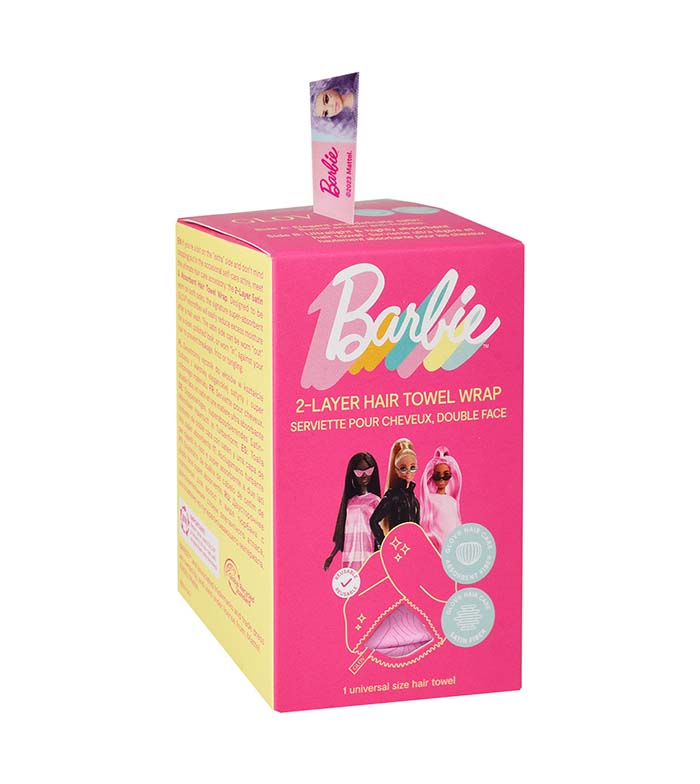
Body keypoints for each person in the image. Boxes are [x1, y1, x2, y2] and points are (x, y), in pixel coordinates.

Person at [324, 452, 381, 571]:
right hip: (349, 554)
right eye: (359, 472)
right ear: (353, 474)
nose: (364, 476)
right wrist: (332, 555)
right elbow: (342, 530)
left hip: (367, 552)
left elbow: (381, 529)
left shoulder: (375, 501)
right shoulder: (349, 502)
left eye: (368, 471)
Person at [369, 438, 420, 548]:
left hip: (411, 547)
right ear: (396, 470)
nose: (408, 472)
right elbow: (373, 520)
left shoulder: (415, 500)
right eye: (403, 468)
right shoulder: (392, 496)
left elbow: (417, 528)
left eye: (412, 468)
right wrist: (384, 543)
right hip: (397, 546)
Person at [419, 447, 463, 551]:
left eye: (446, 475)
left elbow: (457, 525)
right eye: (437, 476)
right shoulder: (430, 500)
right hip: (437, 545)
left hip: (452, 546)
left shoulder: (452, 502)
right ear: (431, 476)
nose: (442, 479)